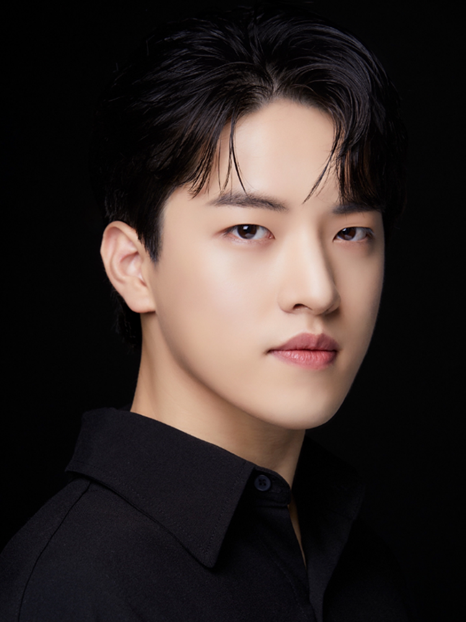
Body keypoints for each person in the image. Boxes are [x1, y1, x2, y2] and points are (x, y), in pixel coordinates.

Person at [0, 2, 414, 620]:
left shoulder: (363, 566)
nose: (319, 291)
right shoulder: (75, 587)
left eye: (350, 232)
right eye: (249, 229)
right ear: (134, 266)